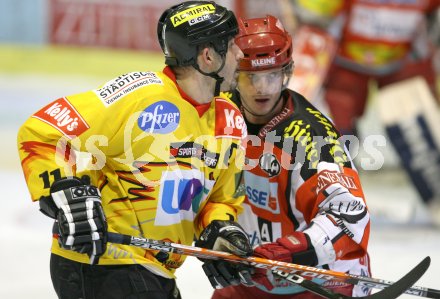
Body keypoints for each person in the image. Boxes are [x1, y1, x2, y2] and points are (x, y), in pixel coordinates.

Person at [17, 1, 254, 298]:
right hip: (102, 263)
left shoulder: (230, 120)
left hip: (156, 269)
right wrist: (64, 191)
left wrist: (219, 229)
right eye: (232, 46)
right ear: (208, 57)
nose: (240, 54)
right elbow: (42, 129)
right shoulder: (141, 96)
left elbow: (220, 198)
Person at [199, 15, 372, 298]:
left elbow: (349, 216)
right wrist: (212, 233)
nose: (262, 88)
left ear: (287, 73)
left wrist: (294, 247)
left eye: (272, 75)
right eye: (251, 76)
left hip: (314, 281)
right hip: (249, 275)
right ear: (233, 75)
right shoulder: (215, 116)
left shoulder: (311, 136)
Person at [324, 0, 440, 136]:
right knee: (338, 104)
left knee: (413, 110)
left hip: (402, 62)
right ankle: (337, 141)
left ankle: (422, 140)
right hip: (345, 61)